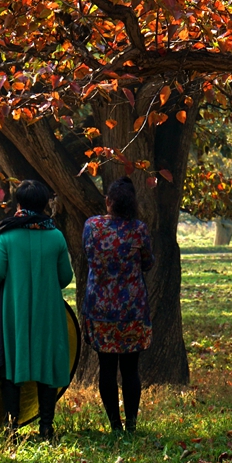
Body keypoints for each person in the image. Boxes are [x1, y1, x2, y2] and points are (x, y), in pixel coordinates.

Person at [0, 180, 74, 439]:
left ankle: (12, 429)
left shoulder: (6, 235)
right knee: (47, 365)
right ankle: (46, 427)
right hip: (49, 311)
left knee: (12, 366)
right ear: (45, 204)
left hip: (14, 312)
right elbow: (65, 277)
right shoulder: (56, 235)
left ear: (19, 204)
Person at [82, 177, 155, 433]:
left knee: (107, 368)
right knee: (130, 369)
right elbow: (147, 263)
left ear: (108, 201)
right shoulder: (139, 230)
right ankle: (132, 425)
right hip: (132, 308)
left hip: (100, 308)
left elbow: (88, 255)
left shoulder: (92, 226)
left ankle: (115, 426)